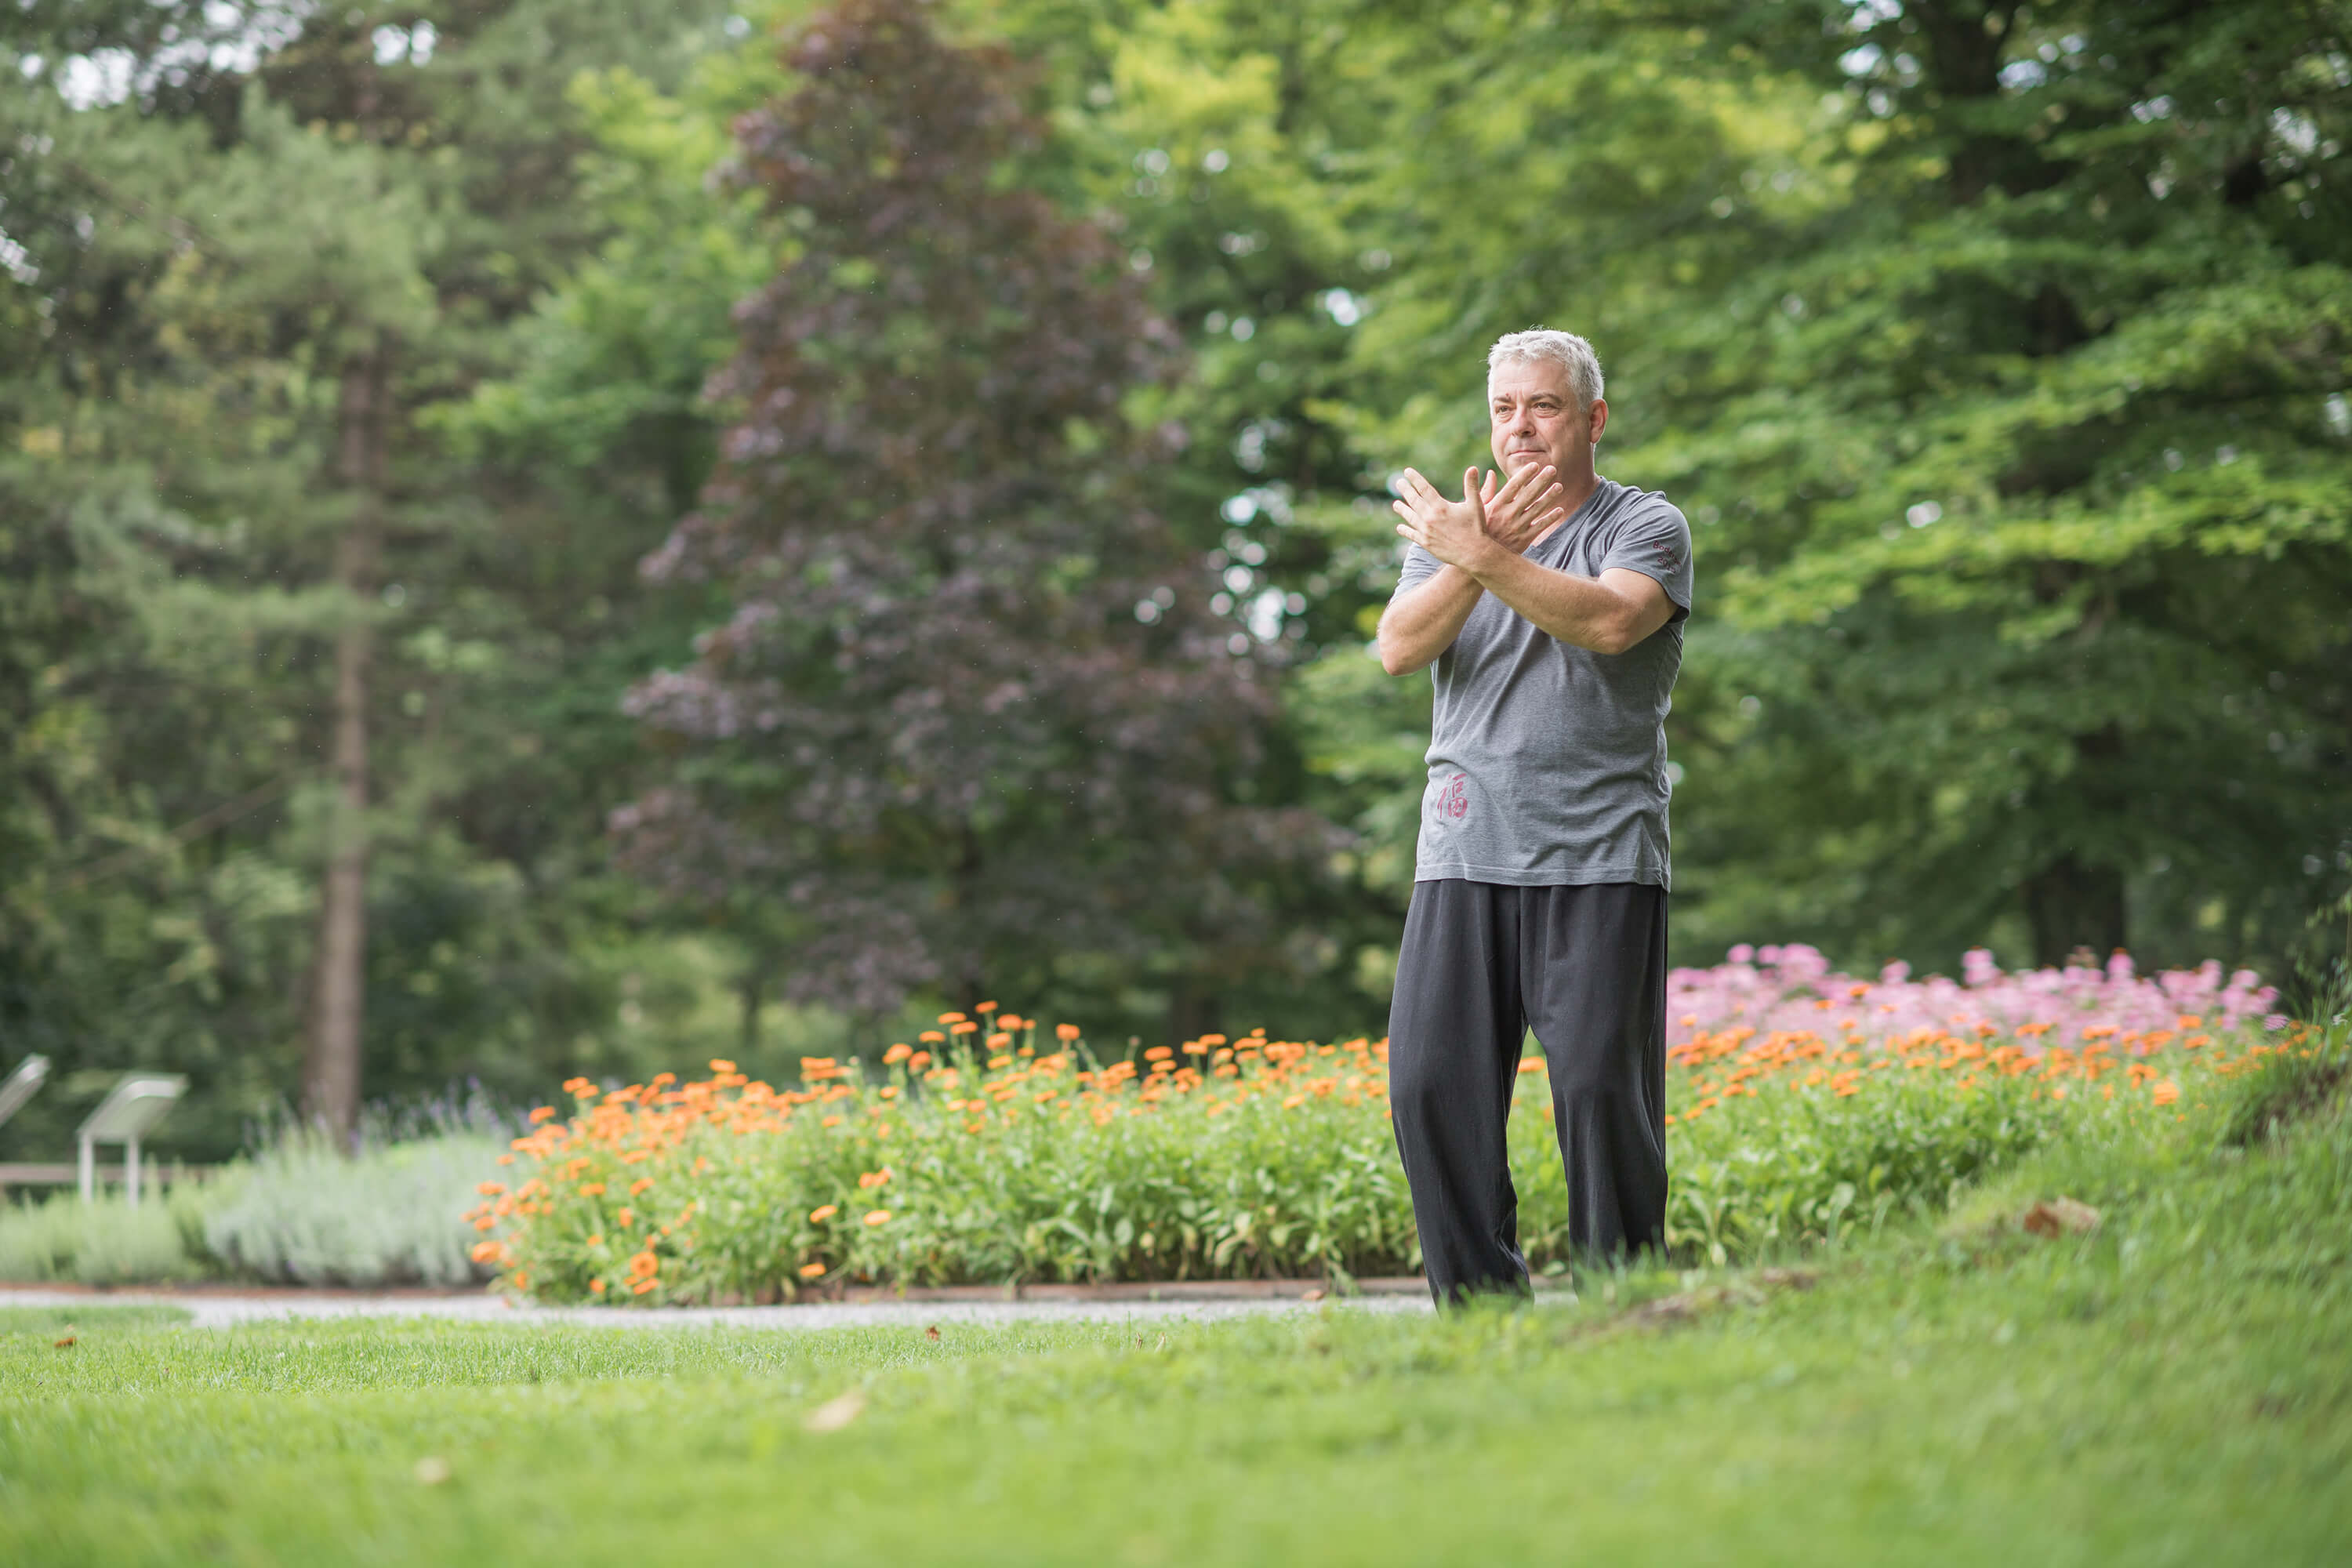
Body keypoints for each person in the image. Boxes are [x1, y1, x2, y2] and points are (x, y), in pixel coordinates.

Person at [1377, 327, 1693, 1301]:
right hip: (1464, 846)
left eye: (1545, 405)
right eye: (1506, 408)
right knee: (1431, 1086)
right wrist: (1473, 554)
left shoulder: (1645, 525)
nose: (1522, 426)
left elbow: (1606, 621)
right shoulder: (1457, 537)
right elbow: (1398, 647)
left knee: (1602, 1093)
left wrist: (1472, 549)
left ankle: (1621, 1303)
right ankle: (1481, 1314)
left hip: (1599, 855)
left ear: (1592, 418)